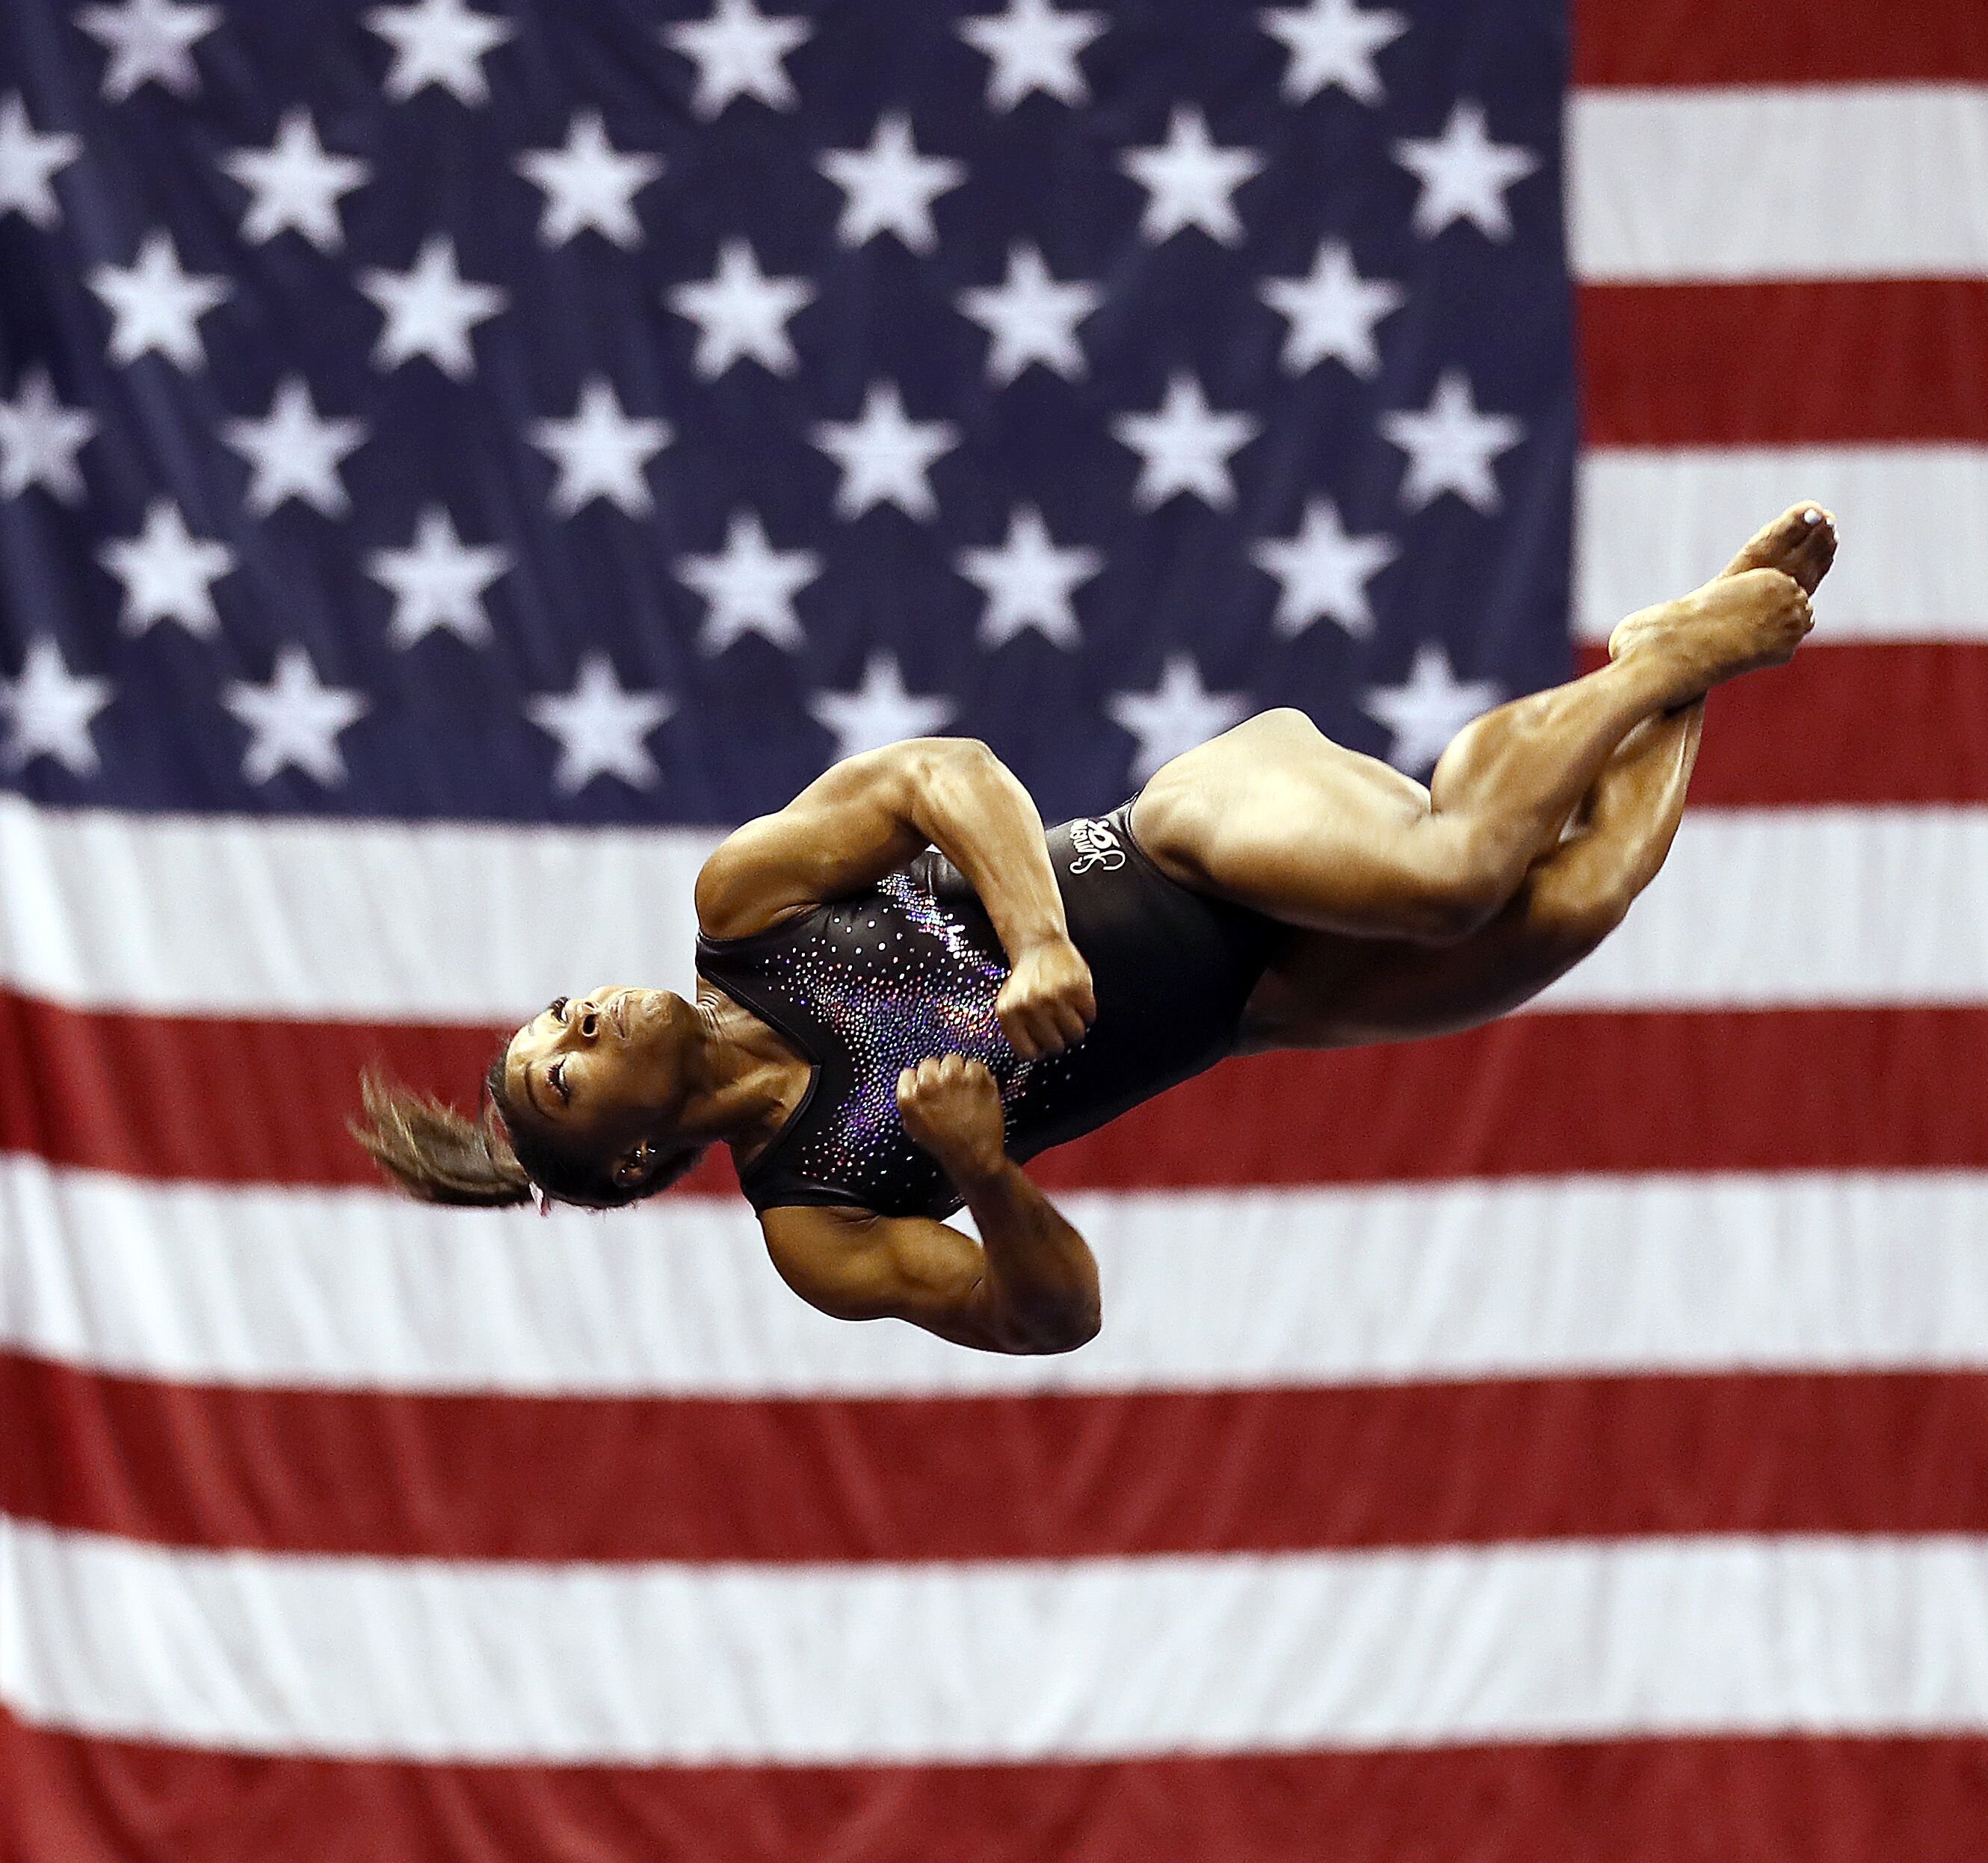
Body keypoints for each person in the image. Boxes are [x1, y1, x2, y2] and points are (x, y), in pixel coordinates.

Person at [356, 504, 1836, 1353]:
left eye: (554, 1012)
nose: (580, 1021)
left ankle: (1665, 652)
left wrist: (1040, 936)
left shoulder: (745, 911)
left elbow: (948, 771)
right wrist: (983, 1169)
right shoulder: (816, 1217)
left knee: (1458, 871)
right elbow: (1048, 1316)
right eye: (563, 1068)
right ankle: (1677, 667)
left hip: (1195, 827)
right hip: (1263, 996)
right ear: (630, 1154)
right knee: (1582, 897)